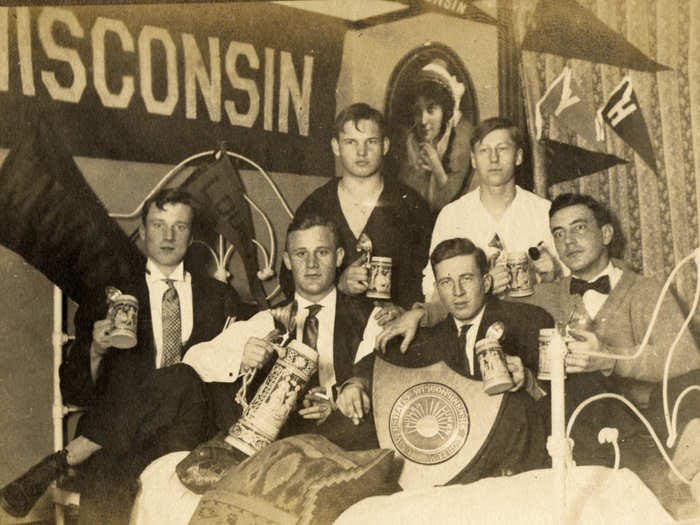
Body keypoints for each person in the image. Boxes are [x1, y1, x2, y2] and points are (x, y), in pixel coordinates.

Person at [0, 189, 250, 523]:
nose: (168, 236)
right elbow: (74, 390)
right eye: (159, 225)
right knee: (105, 489)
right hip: (121, 446)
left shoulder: (220, 297)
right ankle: (84, 453)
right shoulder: (108, 295)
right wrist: (96, 350)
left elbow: (242, 373)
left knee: (182, 375)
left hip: (190, 436)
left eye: (179, 226)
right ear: (143, 232)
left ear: (191, 235)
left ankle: (67, 456)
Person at [352, 238, 553, 481]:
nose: (457, 292)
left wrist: (529, 381)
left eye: (467, 278)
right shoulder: (426, 336)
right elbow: (376, 362)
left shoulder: (529, 320)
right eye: (446, 282)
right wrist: (354, 384)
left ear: (486, 282)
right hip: (453, 471)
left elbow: (562, 397)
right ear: (437, 288)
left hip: (514, 471)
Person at [521, 193, 700, 464]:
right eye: (559, 234)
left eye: (579, 228)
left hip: (646, 425)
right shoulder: (544, 296)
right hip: (578, 429)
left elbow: (686, 359)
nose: (568, 241)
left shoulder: (647, 290)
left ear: (606, 234)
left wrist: (610, 357)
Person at [183, 213, 385, 453]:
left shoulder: (369, 317)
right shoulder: (269, 320)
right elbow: (191, 362)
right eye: (301, 254)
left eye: (322, 252)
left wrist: (335, 399)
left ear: (339, 257)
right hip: (281, 448)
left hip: (345, 442)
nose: (311, 264)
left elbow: (381, 374)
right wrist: (240, 358)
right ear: (288, 261)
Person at [377, 117, 561, 352]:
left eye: (502, 149)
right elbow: (435, 290)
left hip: (531, 332)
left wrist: (552, 275)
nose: (493, 159)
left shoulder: (544, 211)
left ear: (519, 156)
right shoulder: (452, 215)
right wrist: (483, 285)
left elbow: (567, 288)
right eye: (484, 150)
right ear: (473, 159)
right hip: (469, 336)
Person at [283, 102, 433, 311]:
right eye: (351, 142)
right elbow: (289, 281)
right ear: (336, 146)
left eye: (371, 141)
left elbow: (433, 280)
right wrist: (337, 286)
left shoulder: (411, 205)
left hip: (396, 335)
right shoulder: (316, 205)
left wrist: (407, 311)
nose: (361, 151)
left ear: (386, 145)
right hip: (332, 334)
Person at [398, 59, 474, 214]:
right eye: (418, 111)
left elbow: (455, 202)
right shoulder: (411, 142)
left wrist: (437, 168)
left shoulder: (462, 138)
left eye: (431, 110)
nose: (423, 120)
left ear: (445, 111)